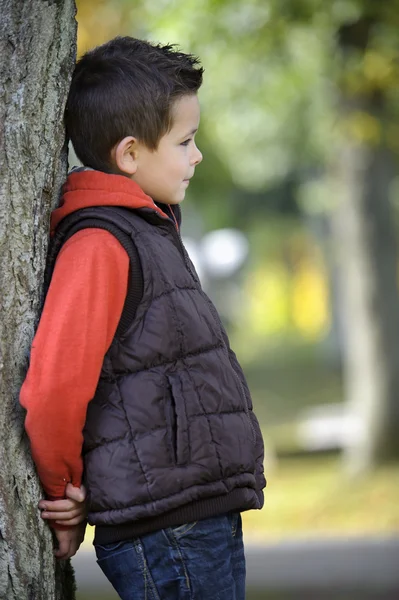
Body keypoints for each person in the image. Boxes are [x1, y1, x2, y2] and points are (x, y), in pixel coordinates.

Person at [20, 36, 266, 599]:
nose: (196, 154)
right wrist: (65, 493)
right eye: (185, 141)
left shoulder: (149, 229)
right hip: (165, 528)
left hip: (195, 511)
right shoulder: (102, 243)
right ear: (130, 154)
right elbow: (56, 385)